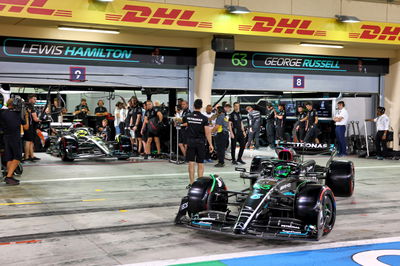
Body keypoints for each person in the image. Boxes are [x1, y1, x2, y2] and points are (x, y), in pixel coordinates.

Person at [183, 99, 214, 185]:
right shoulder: (204, 118)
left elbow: (183, 127)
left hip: (190, 142)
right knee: (200, 163)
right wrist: (210, 144)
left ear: (193, 105)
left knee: (191, 163)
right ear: (201, 106)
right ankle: (199, 184)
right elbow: (207, 132)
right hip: (200, 142)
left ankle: (191, 183)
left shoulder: (187, 117)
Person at [0, 98, 29, 185]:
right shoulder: (17, 114)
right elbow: (26, 127)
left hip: (6, 137)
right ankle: (9, 177)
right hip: (15, 138)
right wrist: (26, 117)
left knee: (9, 158)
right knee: (17, 157)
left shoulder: (3, 113)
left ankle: (10, 176)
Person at [23, 94, 41, 162]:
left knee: (31, 141)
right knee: (28, 141)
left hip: (27, 125)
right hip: (29, 125)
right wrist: (40, 119)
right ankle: (27, 156)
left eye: (36, 99)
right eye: (34, 99)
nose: (35, 101)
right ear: (30, 99)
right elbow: (35, 119)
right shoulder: (30, 105)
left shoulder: (25, 105)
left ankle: (31, 155)